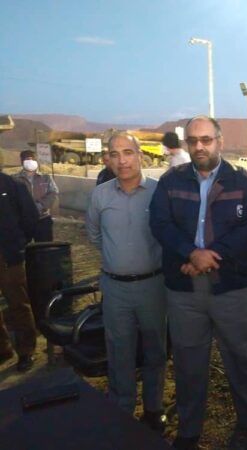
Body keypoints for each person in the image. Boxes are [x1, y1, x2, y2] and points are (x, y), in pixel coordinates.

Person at [149, 116, 247, 450]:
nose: (199, 146)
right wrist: (190, 252)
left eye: (206, 139)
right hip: (184, 288)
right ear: (186, 144)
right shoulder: (171, 181)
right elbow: (160, 223)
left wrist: (210, 255)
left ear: (219, 141)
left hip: (232, 286)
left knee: (242, 356)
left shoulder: (245, 181)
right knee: (188, 361)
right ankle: (189, 428)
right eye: (193, 141)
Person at [86, 132, 167, 432]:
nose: (122, 160)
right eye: (114, 154)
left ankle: (153, 408)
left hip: (153, 286)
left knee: (155, 349)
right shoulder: (100, 195)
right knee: (119, 350)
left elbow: (168, 235)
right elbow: (94, 235)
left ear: (140, 155)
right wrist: (118, 259)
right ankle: (122, 409)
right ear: (107, 158)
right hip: (115, 288)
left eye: (128, 152)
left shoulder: (159, 192)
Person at [0, 172, 39, 373]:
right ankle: (3, 349)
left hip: (8, 257)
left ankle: (26, 350)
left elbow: (30, 217)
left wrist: (18, 243)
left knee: (18, 304)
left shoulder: (12, 185)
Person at [14, 150, 59, 241]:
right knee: (22, 246)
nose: (30, 161)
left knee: (44, 246)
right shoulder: (15, 179)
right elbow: (12, 198)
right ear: (22, 162)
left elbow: (53, 192)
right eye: (27, 159)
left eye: (32, 159)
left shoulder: (46, 177)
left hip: (42, 219)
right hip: (23, 220)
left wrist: (40, 205)